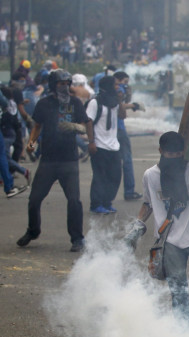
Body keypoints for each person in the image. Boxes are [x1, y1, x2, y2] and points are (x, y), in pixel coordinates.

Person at [127, 132, 189, 321]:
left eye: (177, 155)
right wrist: (137, 225)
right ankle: (183, 332)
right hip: (170, 242)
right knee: (178, 290)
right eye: (169, 155)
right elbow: (148, 203)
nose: (174, 158)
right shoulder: (150, 175)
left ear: (183, 152)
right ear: (160, 151)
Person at [17, 69, 93, 252]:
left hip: (69, 161)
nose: (65, 87)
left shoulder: (75, 103)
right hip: (48, 160)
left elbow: (86, 123)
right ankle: (33, 230)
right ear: (53, 85)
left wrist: (79, 130)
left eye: (67, 84)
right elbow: (37, 126)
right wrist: (31, 142)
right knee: (35, 199)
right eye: (61, 84)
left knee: (74, 201)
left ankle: (77, 239)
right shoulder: (44, 104)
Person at [87, 75, 122, 214]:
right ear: (108, 86)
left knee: (115, 176)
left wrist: (120, 100)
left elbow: (123, 116)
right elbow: (88, 121)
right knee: (100, 176)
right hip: (100, 145)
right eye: (115, 85)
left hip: (114, 145)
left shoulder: (114, 102)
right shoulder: (95, 102)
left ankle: (107, 202)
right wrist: (91, 142)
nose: (117, 87)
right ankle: (96, 204)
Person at [113, 71, 144, 201]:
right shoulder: (118, 90)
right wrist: (133, 105)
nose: (124, 85)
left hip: (112, 129)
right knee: (127, 160)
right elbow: (119, 105)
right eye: (124, 82)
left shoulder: (109, 90)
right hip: (119, 129)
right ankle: (129, 191)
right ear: (118, 80)